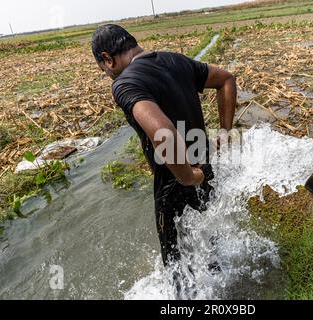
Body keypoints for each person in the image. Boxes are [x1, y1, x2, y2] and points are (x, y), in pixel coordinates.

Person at [91, 24, 237, 267]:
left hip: (175, 181)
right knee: (213, 239)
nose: (108, 76)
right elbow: (227, 80)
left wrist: (187, 176)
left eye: (103, 70)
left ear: (107, 59)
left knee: (175, 263)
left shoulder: (125, 83)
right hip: (205, 167)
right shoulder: (176, 60)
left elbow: (162, 133)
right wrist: (224, 132)